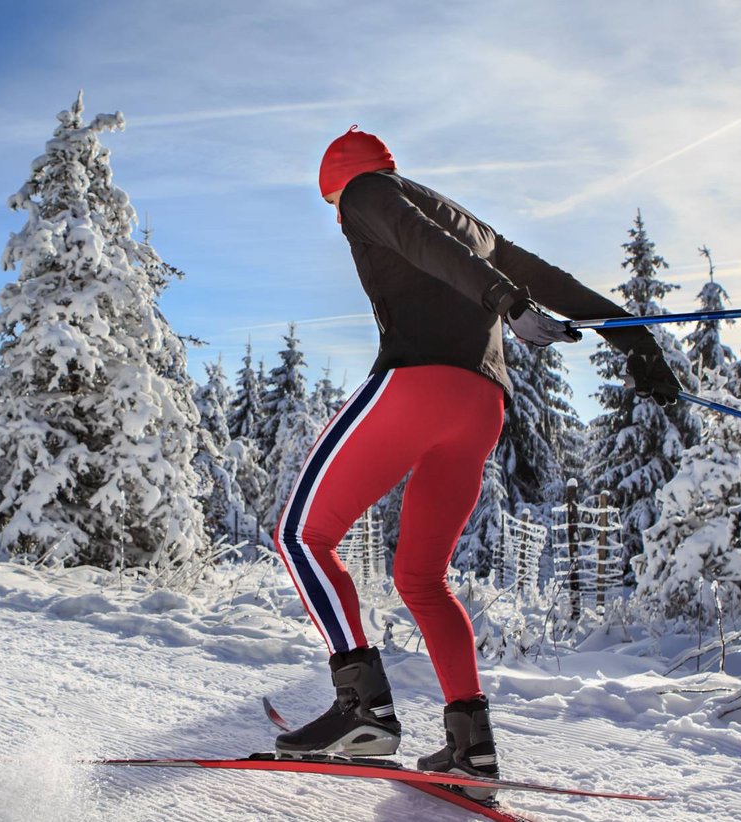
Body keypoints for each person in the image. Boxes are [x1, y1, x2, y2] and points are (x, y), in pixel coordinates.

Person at [271, 125, 682, 800]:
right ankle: (471, 748)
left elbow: (417, 242)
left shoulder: (367, 193)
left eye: (333, 207)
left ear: (337, 185)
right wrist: (631, 337)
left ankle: (362, 712)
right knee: (423, 579)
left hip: (417, 386)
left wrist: (508, 303)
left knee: (301, 536)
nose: (340, 219)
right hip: (481, 406)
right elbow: (552, 280)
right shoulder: (472, 224)